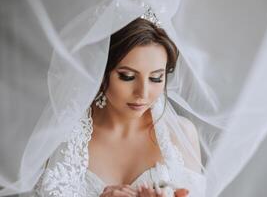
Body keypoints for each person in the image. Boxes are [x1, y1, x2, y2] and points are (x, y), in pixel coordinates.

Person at [25, 12, 206, 197]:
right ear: (100, 72)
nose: (142, 93)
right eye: (127, 77)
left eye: (156, 78)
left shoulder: (181, 134)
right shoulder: (60, 135)